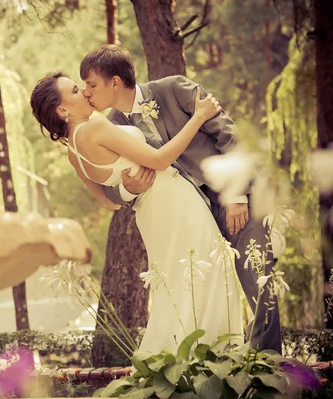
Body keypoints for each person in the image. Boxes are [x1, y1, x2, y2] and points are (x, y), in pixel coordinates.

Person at [79, 44, 281, 353]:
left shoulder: (173, 88)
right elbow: (110, 188)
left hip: (234, 200)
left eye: (91, 84)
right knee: (211, 291)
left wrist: (237, 195)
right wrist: (128, 189)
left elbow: (228, 134)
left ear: (115, 81)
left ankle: (271, 365)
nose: (87, 92)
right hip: (189, 219)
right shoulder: (112, 125)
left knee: (258, 281)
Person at [30, 72, 243, 353]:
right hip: (174, 202)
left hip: (150, 215)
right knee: (210, 273)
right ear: (62, 109)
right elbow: (159, 159)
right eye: (74, 90)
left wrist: (130, 188)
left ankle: (180, 362)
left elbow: (111, 202)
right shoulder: (94, 129)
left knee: (178, 288)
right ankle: (213, 359)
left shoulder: (73, 152)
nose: (84, 91)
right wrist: (199, 116)